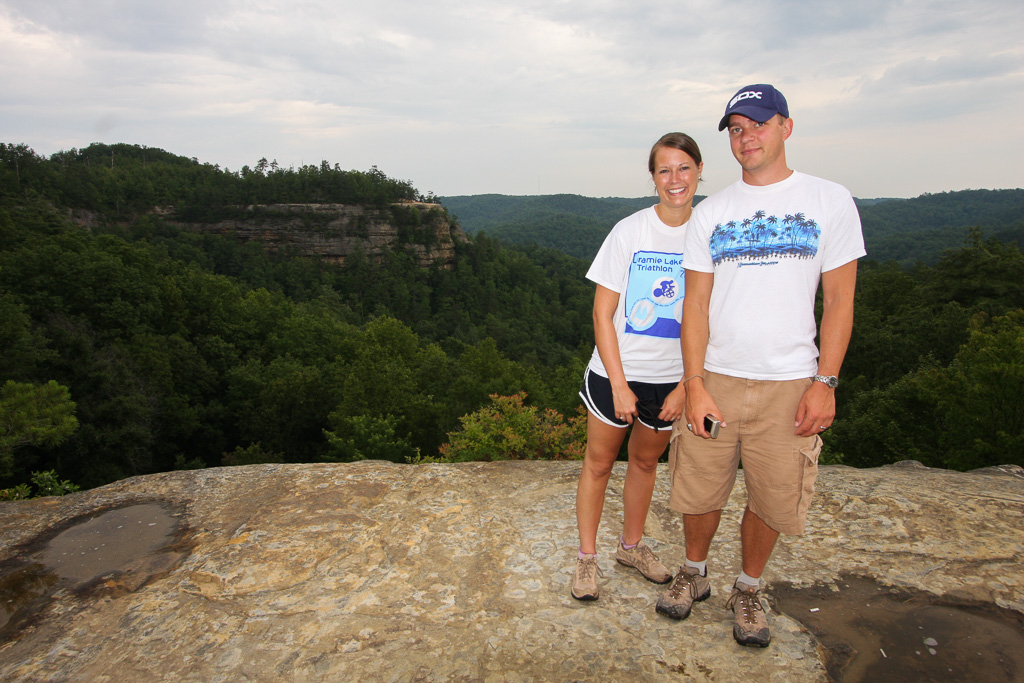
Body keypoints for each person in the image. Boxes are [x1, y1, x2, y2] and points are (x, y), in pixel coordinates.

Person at [656, 85, 865, 646]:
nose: (746, 137)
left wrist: (825, 382)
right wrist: (694, 384)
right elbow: (695, 305)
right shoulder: (713, 212)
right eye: (736, 129)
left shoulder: (829, 200)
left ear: (785, 127)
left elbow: (840, 301)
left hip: (790, 381)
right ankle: (694, 572)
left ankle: (748, 588)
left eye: (758, 124)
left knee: (772, 495)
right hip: (718, 377)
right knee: (700, 488)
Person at [571, 132, 702, 601]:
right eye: (664, 170)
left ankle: (631, 547)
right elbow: (601, 313)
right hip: (616, 375)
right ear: (653, 177)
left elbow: (711, 316)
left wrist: (687, 386)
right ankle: (587, 559)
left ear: (699, 171)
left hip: (671, 381)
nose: (675, 179)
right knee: (599, 464)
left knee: (645, 463)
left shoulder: (707, 233)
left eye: (683, 168)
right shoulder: (630, 231)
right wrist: (620, 385)